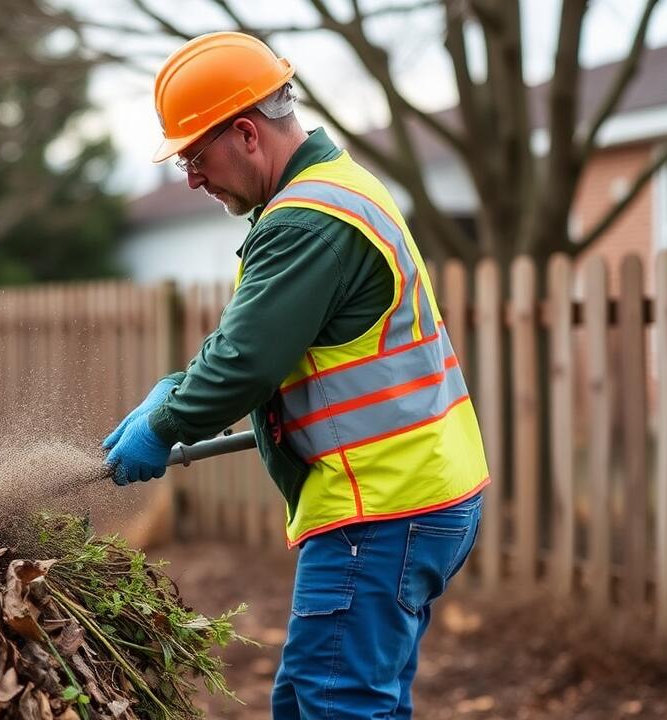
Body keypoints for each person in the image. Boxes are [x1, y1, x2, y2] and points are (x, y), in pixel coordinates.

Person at [101, 31, 490, 719]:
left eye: (195, 156)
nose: (191, 178)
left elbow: (245, 361)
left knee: (334, 703)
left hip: (382, 506)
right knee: (316, 696)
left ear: (247, 133)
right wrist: (178, 391)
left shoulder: (307, 221)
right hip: (422, 490)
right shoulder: (337, 188)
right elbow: (264, 338)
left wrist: (165, 424)